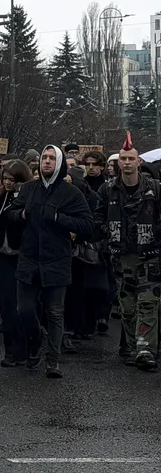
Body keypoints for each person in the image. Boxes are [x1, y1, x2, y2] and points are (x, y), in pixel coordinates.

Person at [5, 145, 97, 379]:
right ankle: (36, 342)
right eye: (44, 158)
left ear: (60, 163)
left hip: (56, 260)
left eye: (51, 158)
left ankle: (52, 360)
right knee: (24, 309)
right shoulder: (28, 189)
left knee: (55, 312)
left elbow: (87, 225)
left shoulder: (70, 193)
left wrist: (59, 218)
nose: (46, 162)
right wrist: (23, 215)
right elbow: (10, 215)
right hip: (28, 259)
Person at [97, 137, 161, 371]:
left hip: (149, 257)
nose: (126, 163)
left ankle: (145, 350)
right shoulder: (108, 189)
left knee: (148, 304)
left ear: (139, 161)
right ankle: (134, 348)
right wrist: (110, 235)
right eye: (123, 159)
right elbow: (98, 217)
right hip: (121, 257)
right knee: (128, 307)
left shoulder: (154, 188)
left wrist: (155, 237)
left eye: (130, 159)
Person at [0, 160, 33, 367]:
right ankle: (11, 350)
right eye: (5, 179)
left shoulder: (26, 198)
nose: (8, 183)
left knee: (22, 307)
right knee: (8, 306)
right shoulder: (0, 197)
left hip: (22, 255)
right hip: (4, 255)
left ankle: (25, 348)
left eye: (12, 179)